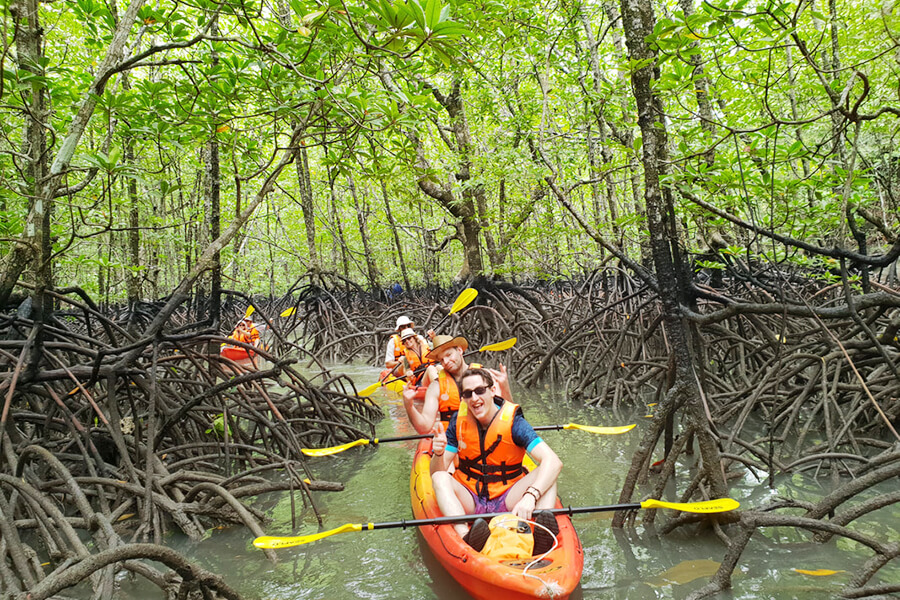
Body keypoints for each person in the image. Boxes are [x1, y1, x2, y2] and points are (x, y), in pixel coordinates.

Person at [430, 367, 562, 553]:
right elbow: (436, 472)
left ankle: (542, 532)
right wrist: (438, 453)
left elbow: (554, 461)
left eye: (480, 390)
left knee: (549, 471)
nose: (474, 398)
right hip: (471, 497)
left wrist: (530, 496)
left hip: (508, 497)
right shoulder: (457, 422)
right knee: (439, 478)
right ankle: (465, 536)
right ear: (463, 399)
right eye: (468, 394)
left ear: (492, 391)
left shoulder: (515, 422)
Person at [403, 335, 511, 435]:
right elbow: (424, 427)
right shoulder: (436, 387)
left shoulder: (486, 376)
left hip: (485, 439)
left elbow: (508, 414)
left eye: (449, 355)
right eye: (441, 360)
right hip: (453, 444)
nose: (446, 362)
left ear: (459, 350)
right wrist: (409, 406)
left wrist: (505, 387)